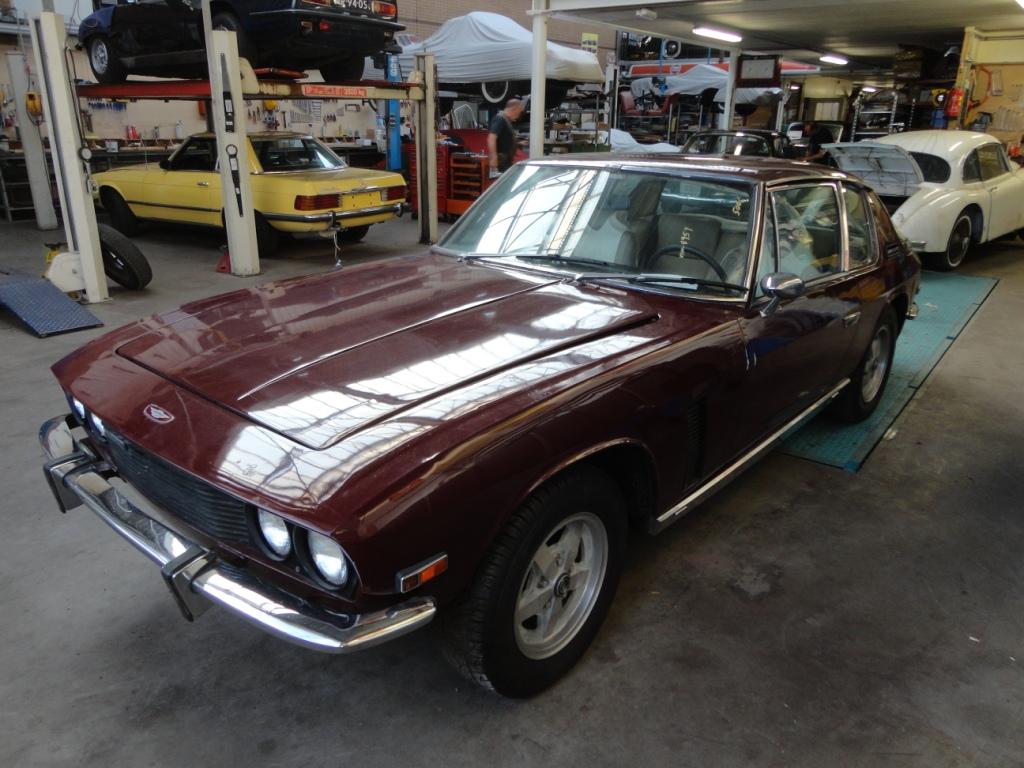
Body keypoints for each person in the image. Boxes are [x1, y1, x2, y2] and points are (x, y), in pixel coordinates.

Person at [487, 99, 525, 175]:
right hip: (501, 162)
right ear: (514, 109)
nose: (519, 115)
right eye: (519, 112)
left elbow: (504, 140)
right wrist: (493, 158)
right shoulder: (500, 119)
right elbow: (491, 138)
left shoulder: (506, 120)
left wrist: (517, 143)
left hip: (506, 162)